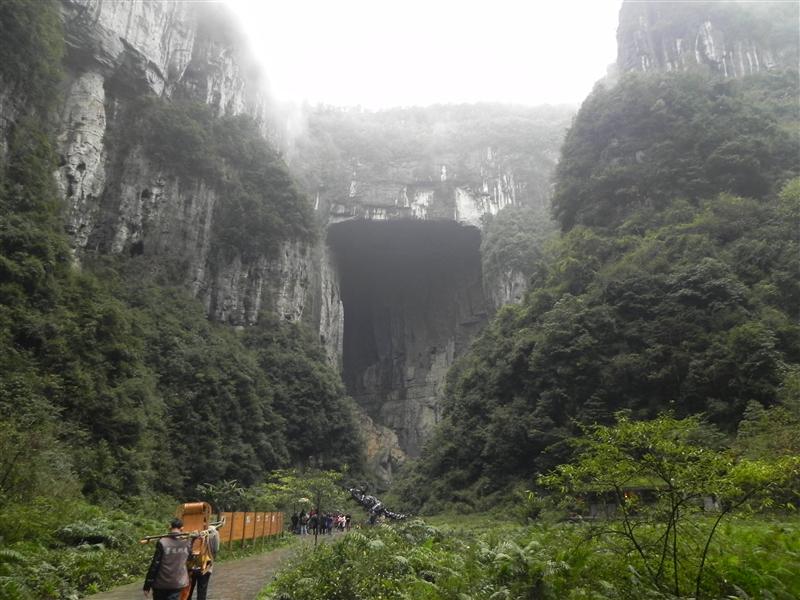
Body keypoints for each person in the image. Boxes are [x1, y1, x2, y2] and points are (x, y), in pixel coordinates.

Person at [143, 518, 191, 600]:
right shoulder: (187, 542)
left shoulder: (162, 542)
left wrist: (147, 585)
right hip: (177, 583)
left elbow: (155, 564)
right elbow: (190, 558)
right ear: (182, 528)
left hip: (160, 584)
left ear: (170, 527)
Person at [187, 523, 219, 600]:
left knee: (188, 591)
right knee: (201, 591)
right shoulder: (214, 532)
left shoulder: (190, 529)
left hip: (191, 566)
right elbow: (215, 550)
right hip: (205, 566)